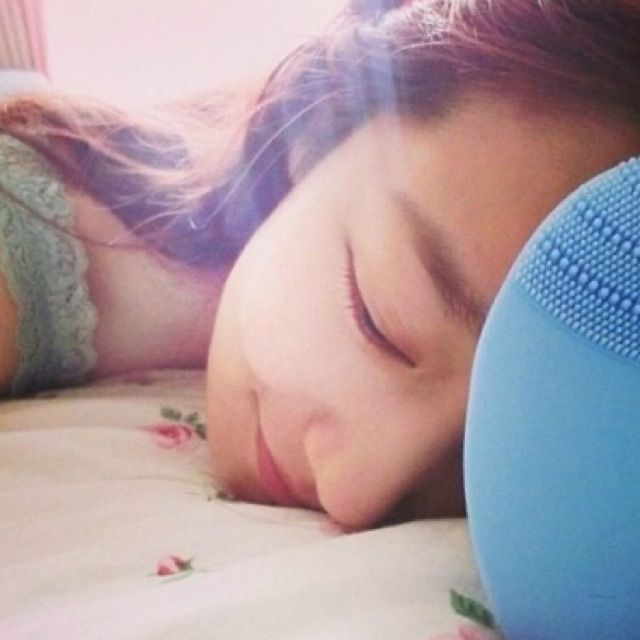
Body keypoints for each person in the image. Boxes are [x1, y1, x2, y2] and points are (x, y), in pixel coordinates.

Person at [1, 0, 639, 530]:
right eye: (380, 324)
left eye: (477, 460)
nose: (354, 493)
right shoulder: (37, 241)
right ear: (315, 123)